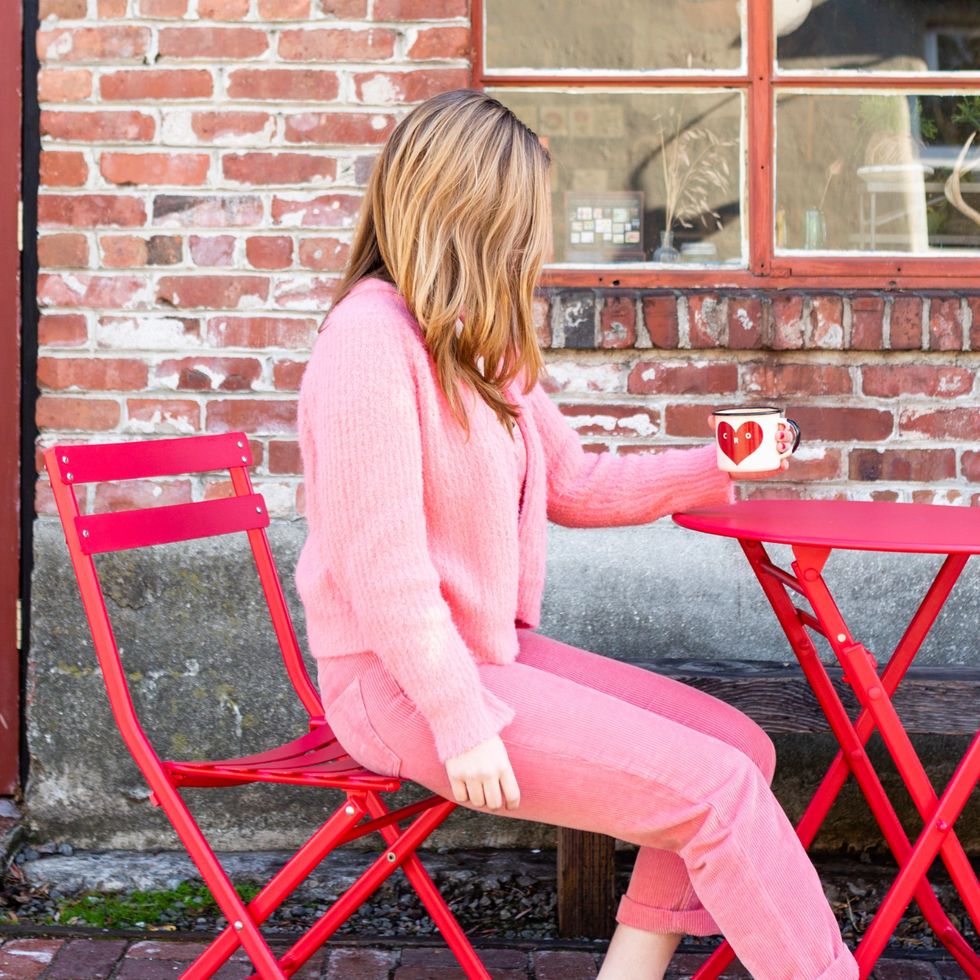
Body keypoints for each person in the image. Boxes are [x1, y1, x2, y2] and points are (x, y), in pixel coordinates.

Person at [295, 88, 859, 980]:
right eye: (529, 214)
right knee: (713, 793)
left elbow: (577, 482)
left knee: (740, 750)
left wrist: (730, 462)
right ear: (471, 214)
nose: (542, 238)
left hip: (489, 660)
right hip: (402, 684)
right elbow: (383, 567)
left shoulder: (481, 344)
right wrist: (460, 719)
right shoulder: (370, 340)